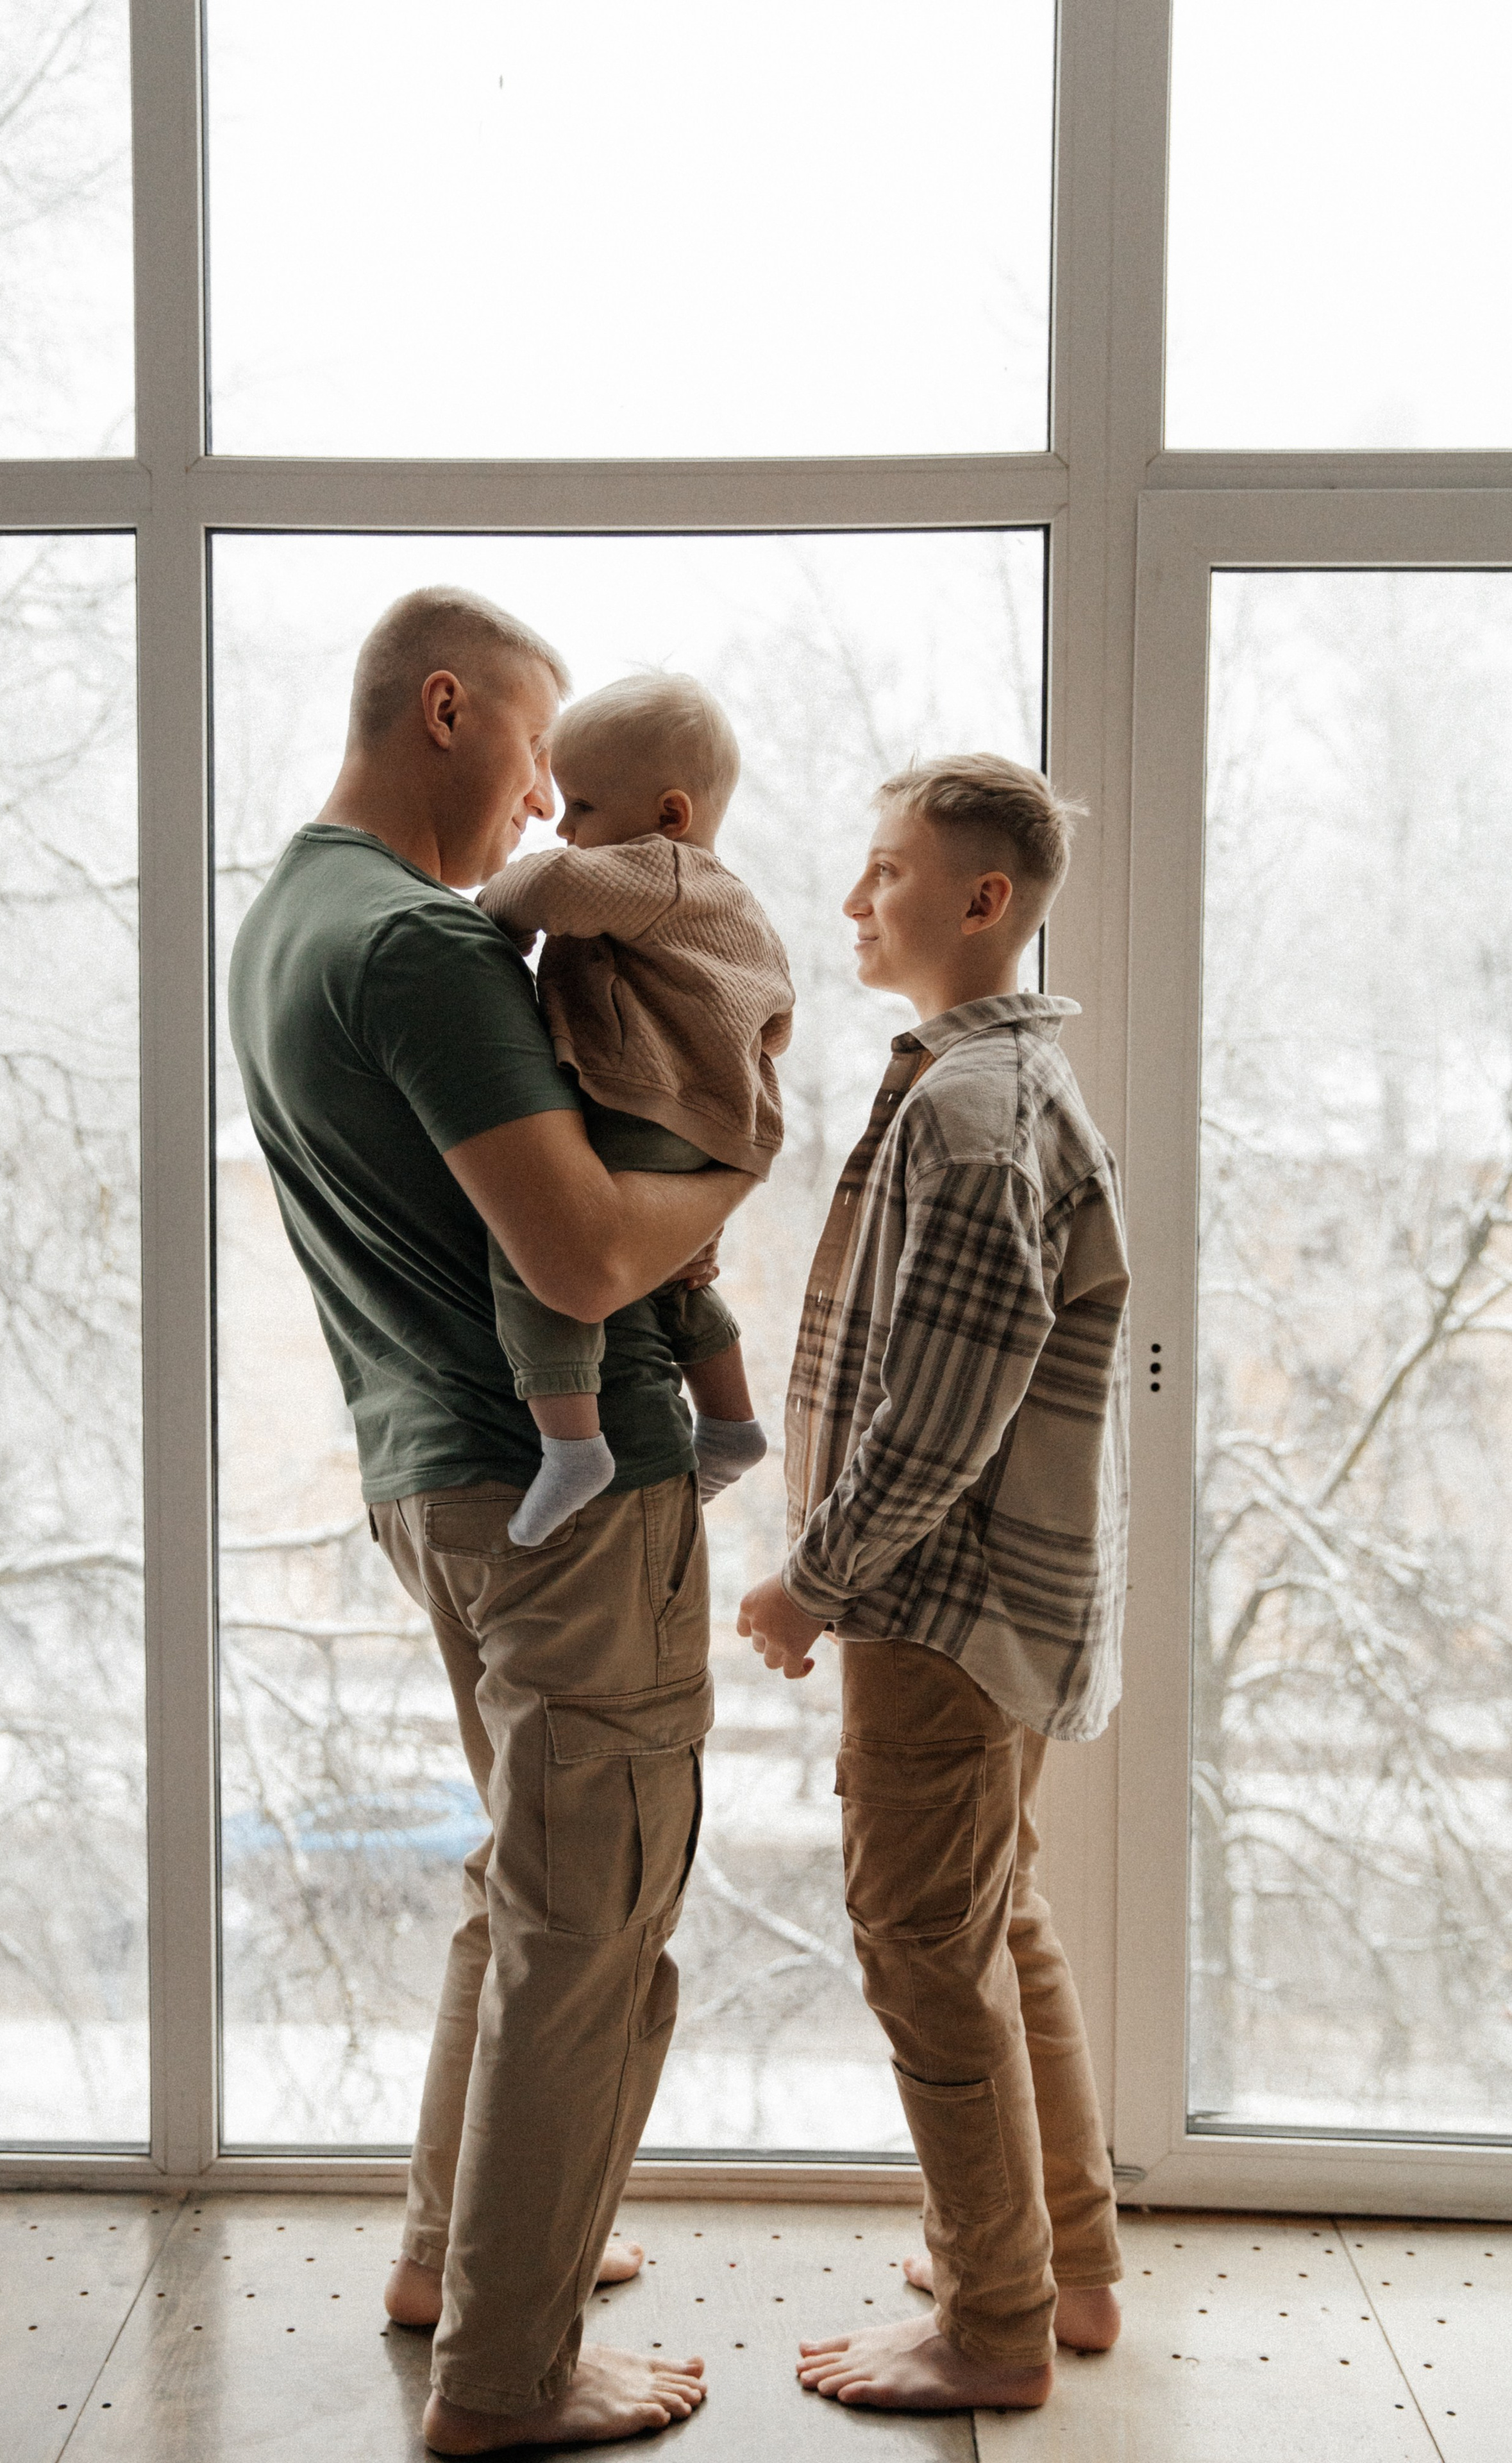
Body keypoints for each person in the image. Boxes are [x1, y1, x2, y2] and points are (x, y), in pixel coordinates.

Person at [228, 585, 753, 2454]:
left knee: (528, 1892)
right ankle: (510, 2380)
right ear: (446, 710)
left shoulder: (285, 918)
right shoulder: (424, 949)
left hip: (434, 1486)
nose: (548, 808)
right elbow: (588, 1249)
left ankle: (453, 2262)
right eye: (539, 759)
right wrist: (744, 1157)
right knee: (594, 1929)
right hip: (570, 1502)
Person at [737, 753, 1130, 2416]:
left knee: (920, 1946)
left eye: (887, 868)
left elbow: (945, 1413)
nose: (853, 897)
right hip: (993, 1609)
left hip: (938, 1612)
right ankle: (1069, 2265)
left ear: (984, 901)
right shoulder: (996, 1085)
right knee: (996, 1918)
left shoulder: (973, 1112)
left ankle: (994, 2322)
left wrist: (807, 1584)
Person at [476, 672, 793, 1546]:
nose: (561, 827)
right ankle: (730, 1423)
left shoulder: (660, 872)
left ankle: (572, 1444)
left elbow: (546, 893)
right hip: (712, 1118)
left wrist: (488, 918)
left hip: (651, 1104)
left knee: (540, 1255)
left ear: (670, 816)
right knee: (673, 1279)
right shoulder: (733, 903)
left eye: (579, 806)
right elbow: (780, 1016)